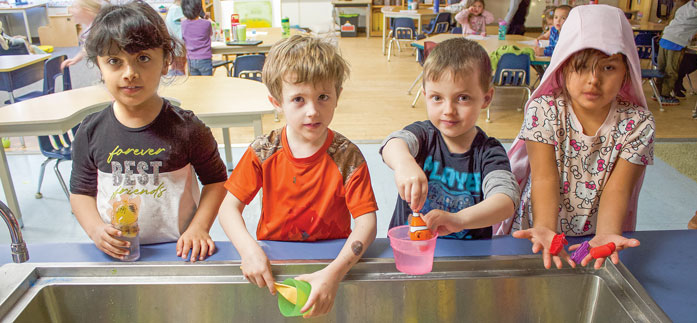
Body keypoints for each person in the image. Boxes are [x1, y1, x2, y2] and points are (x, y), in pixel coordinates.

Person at [218, 35, 378, 318]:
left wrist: (334, 274)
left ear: (337, 96)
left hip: (333, 264)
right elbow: (229, 208)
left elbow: (367, 223)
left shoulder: (348, 157)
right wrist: (248, 251)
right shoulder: (263, 151)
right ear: (276, 102)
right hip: (273, 264)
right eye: (298, 100)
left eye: (323, 97)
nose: (313, 111)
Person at [69, 1, 228, 262]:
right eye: (114, 61)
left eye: (143, 58)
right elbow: (81, 193)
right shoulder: (90, 131)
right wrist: (96, 230)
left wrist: (199, 227)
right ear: (100, 66)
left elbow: (216, 182)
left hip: (180, 250)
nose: (130, 73)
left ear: (165, 62)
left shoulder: (188, 128)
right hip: (118, 252)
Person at [501, 5, 654, 270]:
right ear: (562, 65)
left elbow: (618, 188)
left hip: (595, 232)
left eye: (608, 67)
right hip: (539, 226)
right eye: (581, 66)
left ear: (626, 70)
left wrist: (605, 234)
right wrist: (546, 229)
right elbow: (544, 177)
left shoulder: (638, 124)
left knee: (582, 276)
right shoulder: (545, 110)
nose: (593, 80)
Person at [380, 38, 520, 240]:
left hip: (467, 259)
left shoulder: (489, 152)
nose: (448, 111)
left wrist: (459, 220)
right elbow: (392, 144)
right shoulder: (423, 135)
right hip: (411, 251)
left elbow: (505, 201)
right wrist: (404, 163)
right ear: (425, 95)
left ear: (486, 99)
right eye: (437, 98)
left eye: (463, 98)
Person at [653, 0, 697, 106]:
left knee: (661, 68)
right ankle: (665, 95)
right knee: (671, 70)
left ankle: (657, 92)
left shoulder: (686, 6)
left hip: (665, 37)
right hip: (676, 41)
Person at [61, 0, 108, 70]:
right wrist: (75, 59)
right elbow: (87, 47)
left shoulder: (100, 29)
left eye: (75, 7)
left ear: (87, 10)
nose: (70, 10)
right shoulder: (89, 28)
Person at [181, 0, 212, 75]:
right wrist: (205, 18)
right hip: (204, 58)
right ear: (199, 9)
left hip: (191, 59)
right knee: (208, 83)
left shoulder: (183, 24)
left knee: (196, 84)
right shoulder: (207, 23)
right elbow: (210, 34)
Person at [164, 0, 186, 75]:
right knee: (179, 68)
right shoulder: (176, 9)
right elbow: (187, 21)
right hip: (178, 44)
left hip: (175, 43)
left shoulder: (173, 8)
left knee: (176, 67)